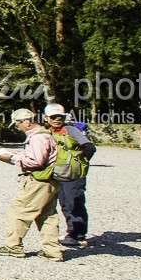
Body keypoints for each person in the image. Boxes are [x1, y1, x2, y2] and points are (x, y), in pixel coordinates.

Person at [0, 108, 63, 260]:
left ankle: (13, 246)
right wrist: (20, 154)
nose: (17, 127)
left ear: (27, 122)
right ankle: (52, 251)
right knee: (47, 215)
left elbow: (36, 161)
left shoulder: (37, 138)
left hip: (37, 180)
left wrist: (11, 158)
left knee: (18, 211)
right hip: (50, 181)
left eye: (17, 124)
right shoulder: (47, 134)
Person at [44, 103, 95, 247]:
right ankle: (71, 231)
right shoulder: (47, 132)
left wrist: (78, 164)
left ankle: (78, 234)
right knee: (65, 202)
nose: (57, 119)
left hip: (72, 173)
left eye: (60, 116)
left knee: (75, 201)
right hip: (58, 173)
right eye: (53, 117)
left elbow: (89, 147)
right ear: (46, 118)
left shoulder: (71, 130)